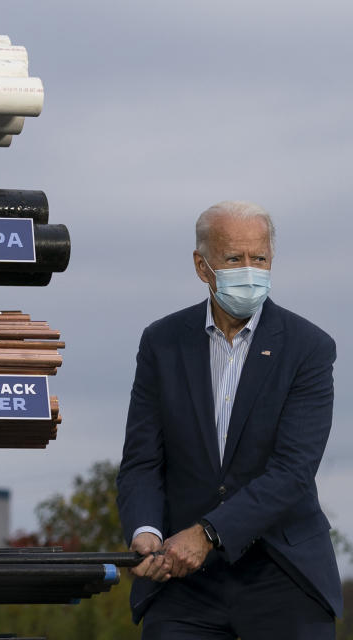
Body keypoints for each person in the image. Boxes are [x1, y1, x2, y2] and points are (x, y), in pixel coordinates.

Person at [115, 201, 341, 639]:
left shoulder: (309, 348)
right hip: (182, 584)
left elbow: (293, 472)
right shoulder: (161, 342)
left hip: (282, 573)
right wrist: (144, 530)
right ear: (203, 267)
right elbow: (142, 460)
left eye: (259, 258)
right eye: (235, 259)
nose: (250, 270)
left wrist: (207, 534)